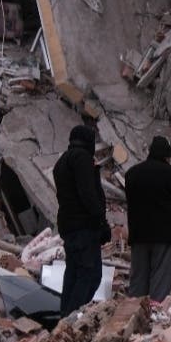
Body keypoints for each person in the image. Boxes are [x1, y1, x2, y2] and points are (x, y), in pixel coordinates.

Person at [124, 135, 171, 301]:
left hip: (139, 235)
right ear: (167, 156)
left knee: (138, 281)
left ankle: (133, 316)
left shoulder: (132, 174)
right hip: (165, 237)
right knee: (159, 284)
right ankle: (154, 320)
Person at [53, 124, 109, 315]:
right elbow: (88, 194)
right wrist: (101, 222)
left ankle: (64, 318)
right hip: (84, 227)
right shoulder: (82, 159)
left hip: (69, 227)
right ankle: (70, 320)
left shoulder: (62, 161)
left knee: (73, 275)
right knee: (90, 276)